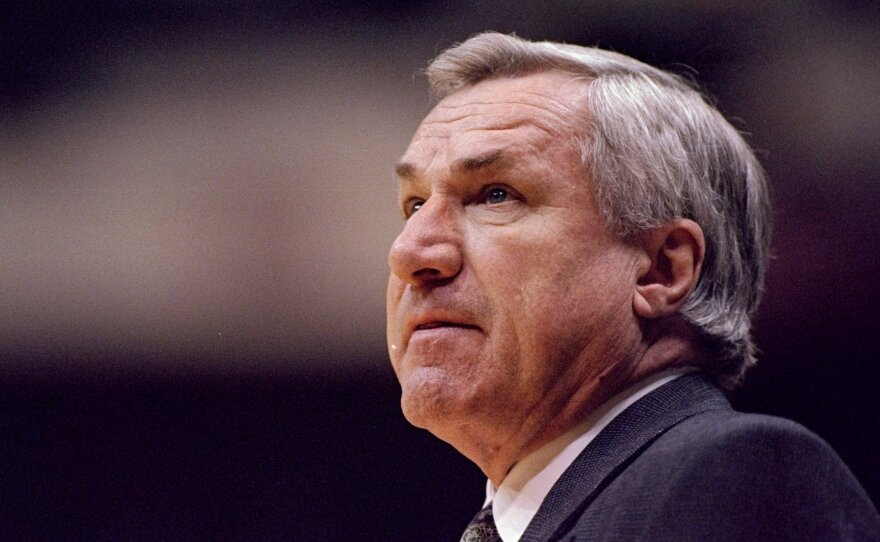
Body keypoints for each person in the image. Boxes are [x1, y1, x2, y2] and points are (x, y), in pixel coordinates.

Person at [385, 32, 880, 541]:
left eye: (495, 195)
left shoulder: (737, 479)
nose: (408, 253)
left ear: (662, 270)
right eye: (416, 204)